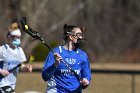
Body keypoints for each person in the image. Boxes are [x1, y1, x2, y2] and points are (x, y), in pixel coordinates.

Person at [42, 24, 91, 93]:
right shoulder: (55, 53)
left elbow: (87, 75)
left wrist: (86, 81)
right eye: (79, 35)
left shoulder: (82, 55)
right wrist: (55, 64)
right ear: (71, 36)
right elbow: (45, 77)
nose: (81, 38)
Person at [0, 22, 32, 93]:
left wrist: (26, 68)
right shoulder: (2, 50)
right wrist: (1, 71)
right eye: (16, 37)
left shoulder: (20, 51)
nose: (18, 39)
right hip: (2, 84)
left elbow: (20, 65)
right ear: (9, 37)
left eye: (19, 37)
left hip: (12, 85)